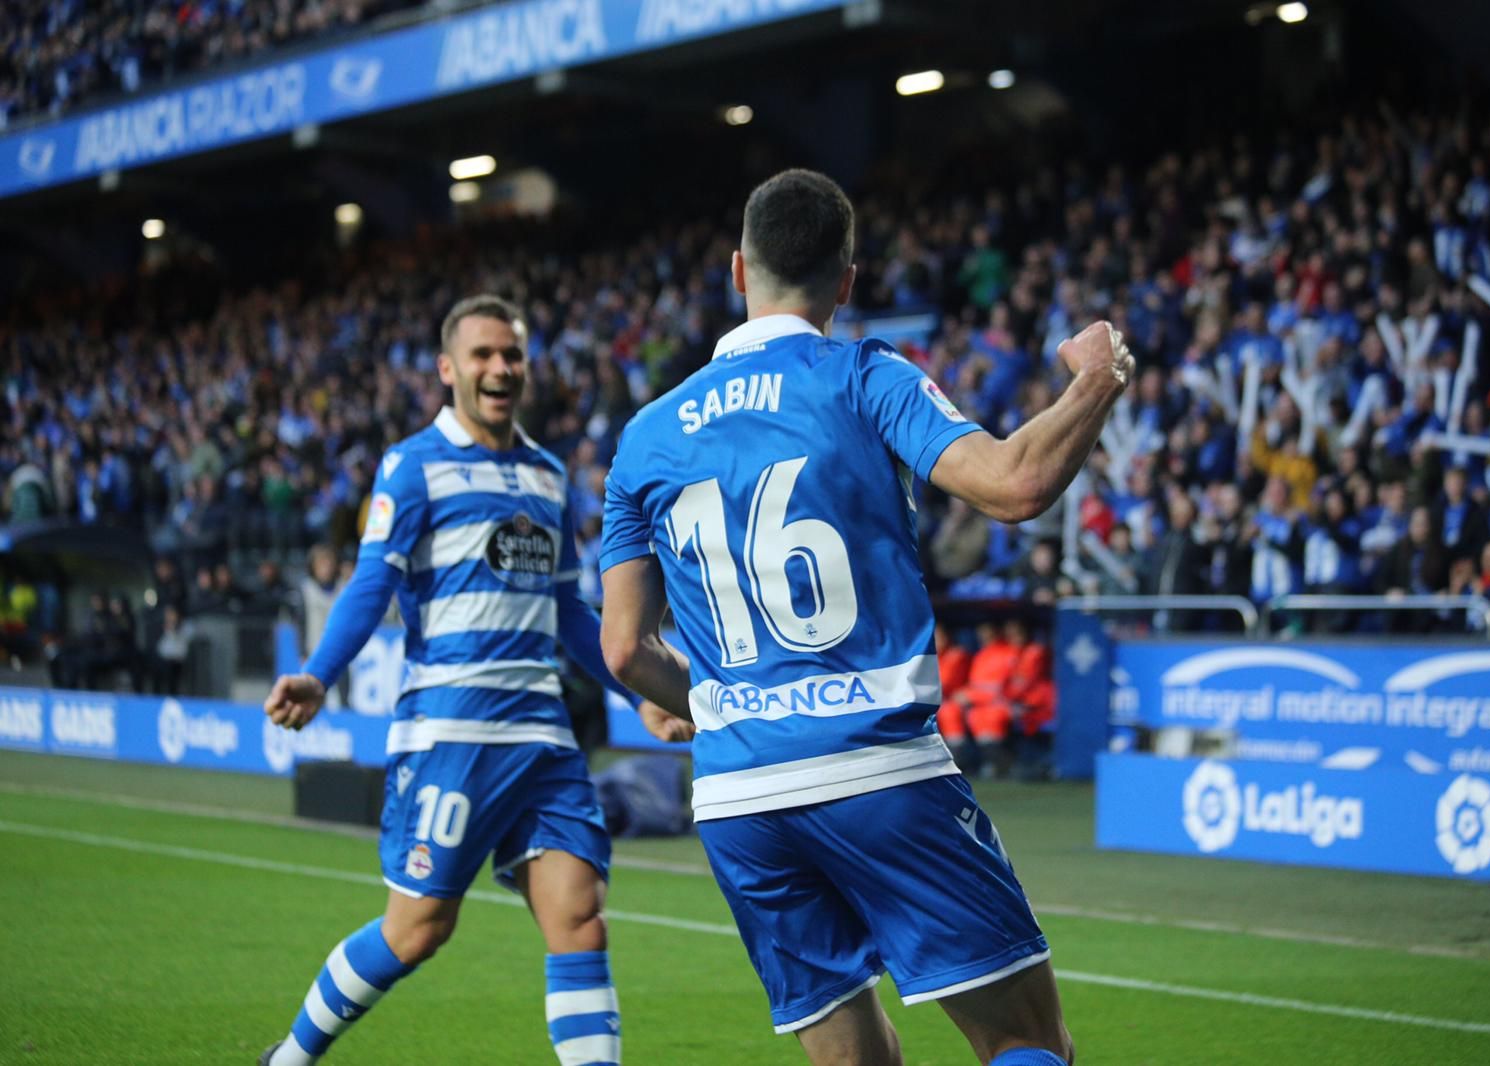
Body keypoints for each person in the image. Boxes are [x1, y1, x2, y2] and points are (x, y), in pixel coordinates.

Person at [599, 169, 1132, 1066]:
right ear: (847, 281)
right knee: (1025, 1042)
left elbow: (624, 649)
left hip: (738, 801)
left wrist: (700, 700)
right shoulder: (861, 376)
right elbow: (1017, 484)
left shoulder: (646, 433)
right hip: (876, 770)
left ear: (739, 270)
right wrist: (1096, 381)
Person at [257, 295, 688, 1066]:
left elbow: (567, 611)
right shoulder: (413, 465)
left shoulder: (548, 476)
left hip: (543, 739)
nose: (500, 368)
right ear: (449, 369)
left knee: (579, 917)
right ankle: (288, 1058)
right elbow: (369, 585)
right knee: (418, 929)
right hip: (452, 733)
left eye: (512, 354)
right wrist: (321, 675)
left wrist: (641, 694)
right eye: (484, 354)